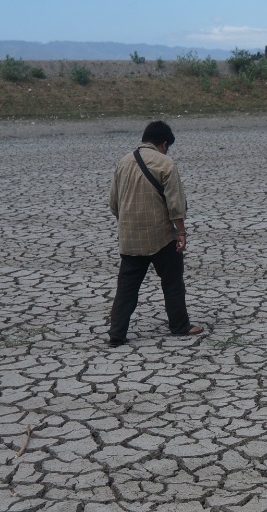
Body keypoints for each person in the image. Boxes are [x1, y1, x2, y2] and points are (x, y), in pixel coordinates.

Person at [106, 121, 203, 347]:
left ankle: (117, 332)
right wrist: (181, 233)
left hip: (130, 238)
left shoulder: (123, 162)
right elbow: (175, 205)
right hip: (161, 237)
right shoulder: (165, 163)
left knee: (127, 286)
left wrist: (128, 223)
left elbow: (113, 203)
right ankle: (179, 325)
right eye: (167, 146)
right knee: (172, 282)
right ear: (164, 143)